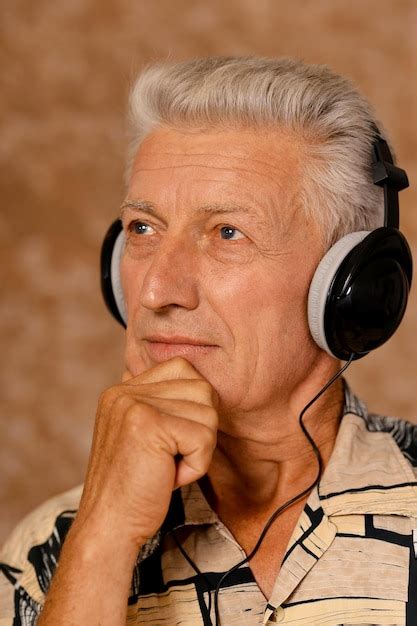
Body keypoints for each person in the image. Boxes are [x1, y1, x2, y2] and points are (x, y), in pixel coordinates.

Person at [1, 56, 416, 626]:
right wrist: (102, 536)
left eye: (227, 233)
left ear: (351, 285)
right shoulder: (46, 552)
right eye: (143, 229)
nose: (156, 289)